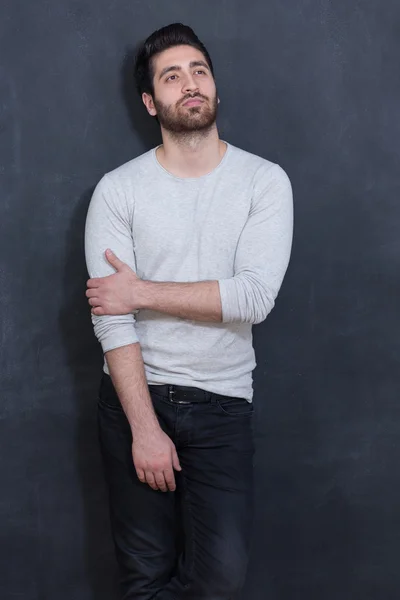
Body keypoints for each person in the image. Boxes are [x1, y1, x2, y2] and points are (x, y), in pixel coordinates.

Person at [84, 22, 293, 600]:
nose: (190, 83)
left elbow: (253, 298)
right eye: (172, 76)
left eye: (199, 71)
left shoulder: (263, 182)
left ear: (215, 89)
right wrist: (144, 429)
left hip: (223, 406)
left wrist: (142, 291)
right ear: (152, 102)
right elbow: (111, 316)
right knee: (144, 578)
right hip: (134, 399)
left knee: (220, 579)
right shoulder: (118, 190)